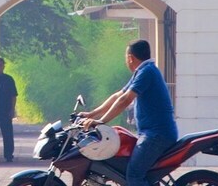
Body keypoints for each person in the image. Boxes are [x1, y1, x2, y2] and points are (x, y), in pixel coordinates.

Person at [75, 40, 175, 186]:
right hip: (151, 134)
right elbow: (118, 95)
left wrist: (101, 121)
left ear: (130, 58)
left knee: (134, 176)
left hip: (156, 135)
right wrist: (92, 114)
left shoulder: (147, 72)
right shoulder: (143, 71)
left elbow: (125, 100)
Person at [0, 57, 18, 163]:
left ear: (3, 66)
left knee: (7, 134)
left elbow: (13, 96)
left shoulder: (8, 79)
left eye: (0, 65)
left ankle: (9, 155)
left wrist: (12, 109)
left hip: (5, 111)